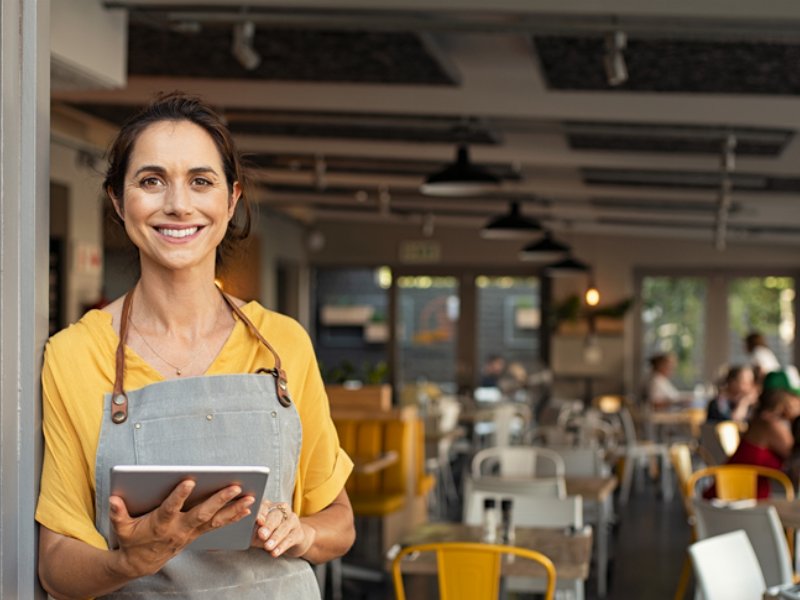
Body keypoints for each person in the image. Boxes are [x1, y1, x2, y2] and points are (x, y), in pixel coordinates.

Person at [36, 93, 355, 599]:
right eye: (151, 180)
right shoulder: (76, 354)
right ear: (119, 201)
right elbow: (55, 564)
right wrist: (127, 562)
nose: (178, 203)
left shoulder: (282, 345)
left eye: (200, 181)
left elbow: (338, 520)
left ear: (231, 200)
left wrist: (304, 533)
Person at [725, 370, 800, 498]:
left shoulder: (760, 420)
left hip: (737, 499)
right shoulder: (770, 425)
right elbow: (796, 458)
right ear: (784, 398)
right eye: (796, 396)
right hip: (733, 502)